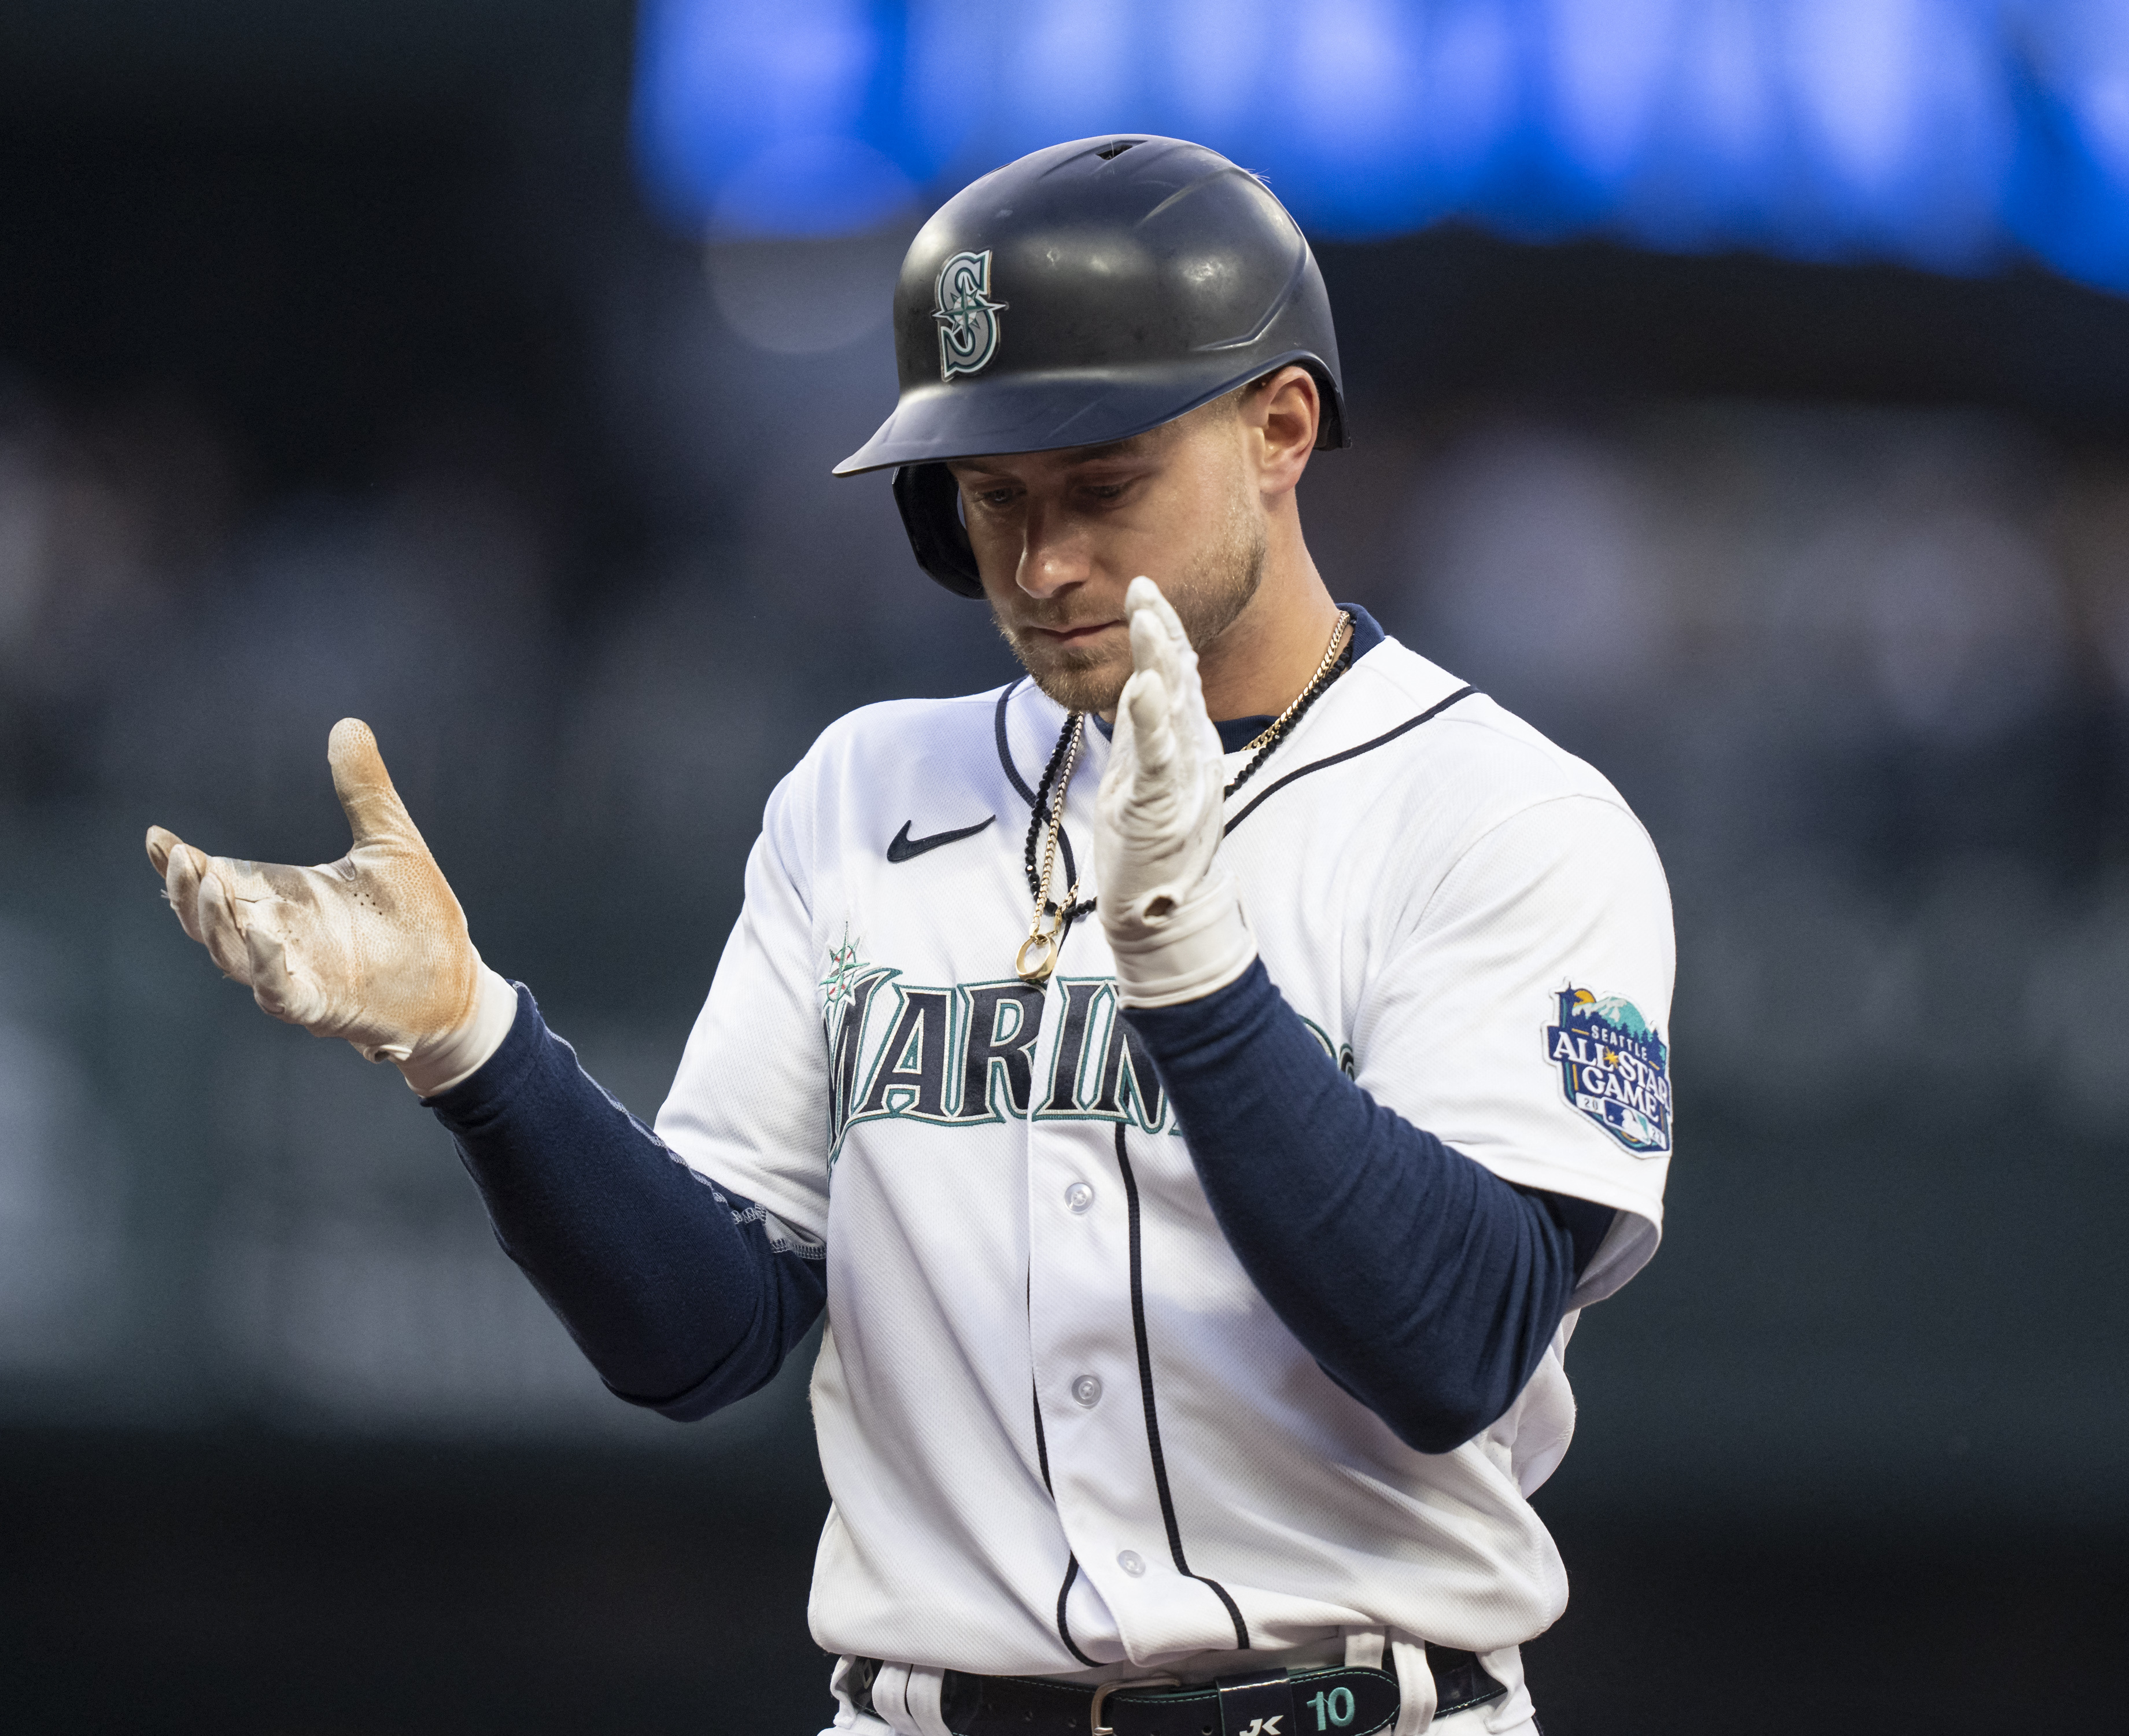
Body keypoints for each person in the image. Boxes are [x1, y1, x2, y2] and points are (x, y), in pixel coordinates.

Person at [143, 135, 1674, 1736]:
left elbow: (1455, 1342)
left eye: (1103, 485)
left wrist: (1197, 981)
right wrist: (473, 1040)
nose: (1043, 561)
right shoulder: (867, 790)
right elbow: (701, 1332)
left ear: (1280, 427)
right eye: (990, 497)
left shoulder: (1501, 815)